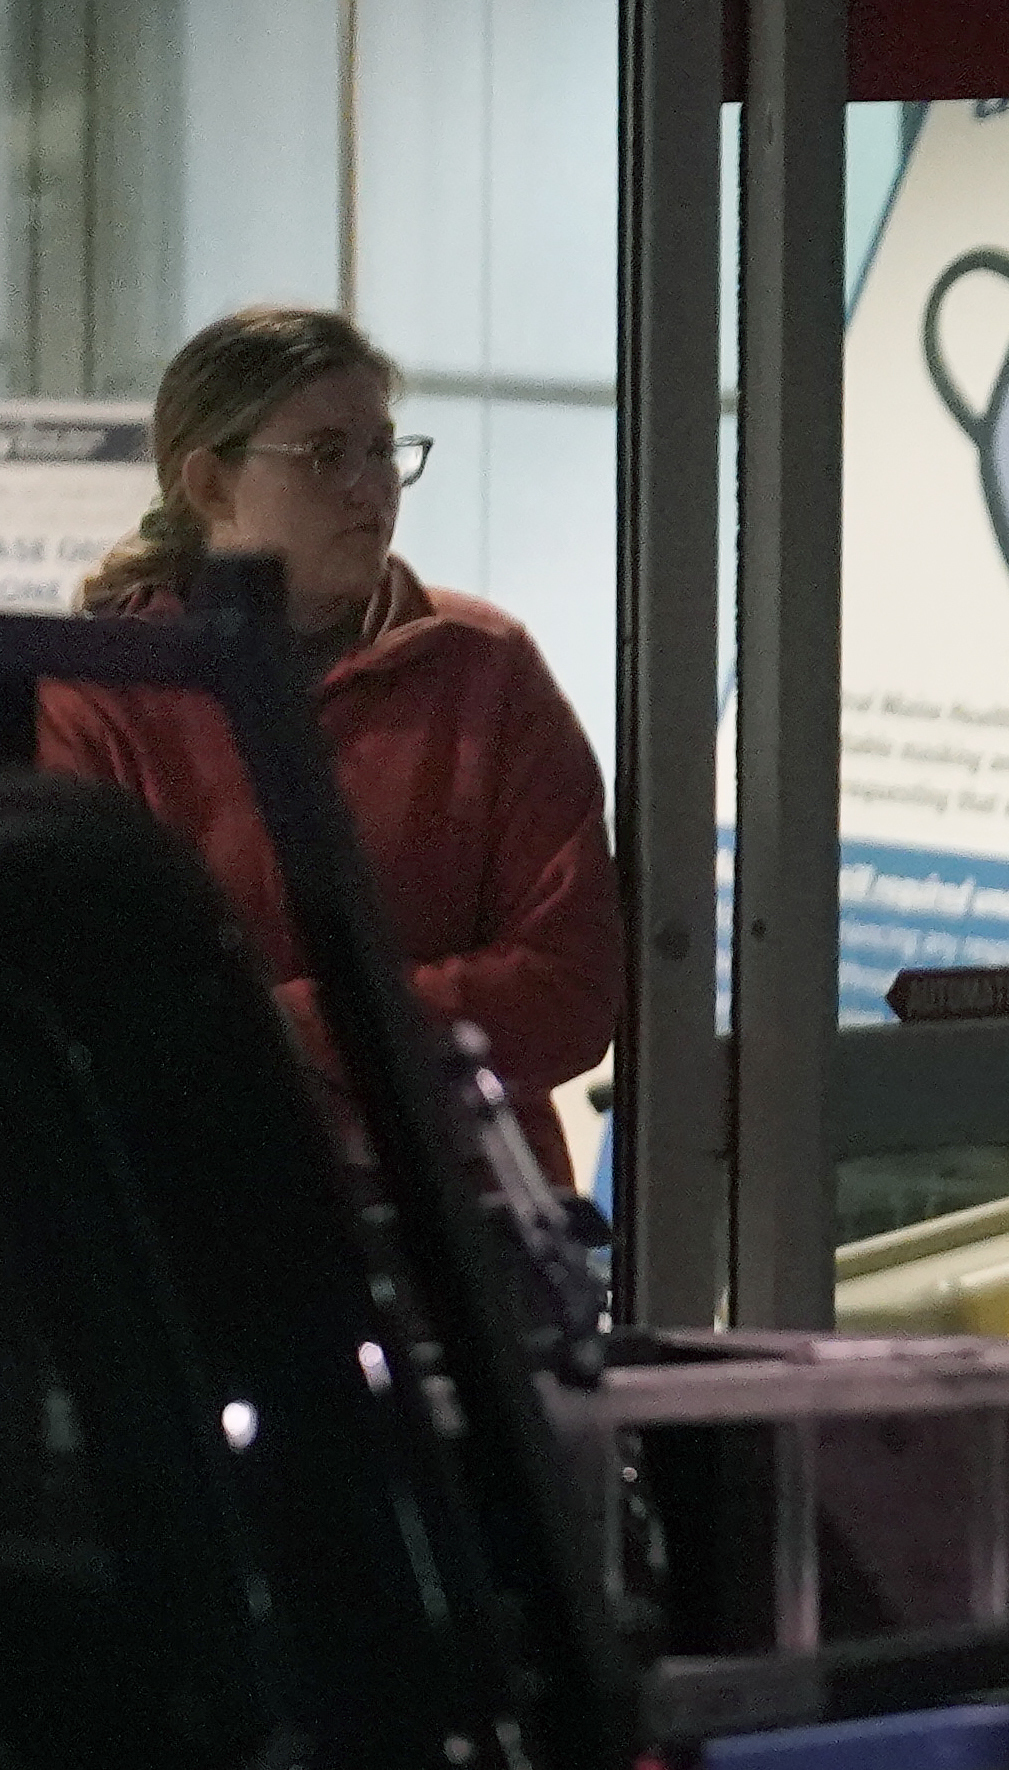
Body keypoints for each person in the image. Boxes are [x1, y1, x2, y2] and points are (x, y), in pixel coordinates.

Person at [37, 305, 618, 1185]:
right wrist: (390, 1028)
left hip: (466, 1238)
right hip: (202, 1229)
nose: (371, 486)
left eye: (384, 450)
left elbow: (570, 990)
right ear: (209, 483)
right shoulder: (101, 696)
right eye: (327, 455)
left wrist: (285, 1028)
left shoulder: (485, 670)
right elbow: (97, 1023)